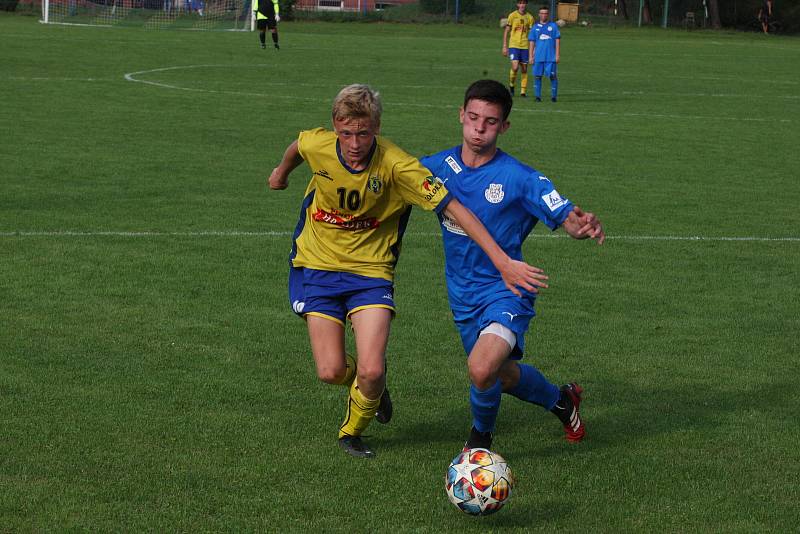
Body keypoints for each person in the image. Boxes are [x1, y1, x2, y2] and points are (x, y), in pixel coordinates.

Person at [268, 84, 546, 459]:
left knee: (370, 370)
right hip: (316, 265)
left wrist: (501, 261)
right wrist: (281, 172)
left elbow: (456, 209)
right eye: (346, 133)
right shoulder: (318, 144)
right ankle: (374, 392)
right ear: (334, 125)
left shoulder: (398, 166)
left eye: (363, 133)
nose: (354, 143)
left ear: (377, 128)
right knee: (331, 371)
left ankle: (351, 433)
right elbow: (299, 147)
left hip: (371, 273)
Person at [420, 79, 605, 452]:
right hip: (462, 295)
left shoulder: (520, 178)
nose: (479, 128)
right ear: (461, 115)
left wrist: (581, 226)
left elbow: (567, 216)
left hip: (509, 288)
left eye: (490, 121)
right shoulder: (436, 167)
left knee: (481, 368)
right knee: (499, 374)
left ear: (504, 126)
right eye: (473, 117)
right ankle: (562, 400)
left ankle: (479, 443)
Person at [527, 5, 560, 102]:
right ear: (539, 14)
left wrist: (557, 55)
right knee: (537, 76)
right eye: (542, 13)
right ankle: (538, 97)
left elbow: (557, 41)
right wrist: (530, 56)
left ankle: (554, 97)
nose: (544, 15)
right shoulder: (535, 27)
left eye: (545, 13)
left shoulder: (553, 26)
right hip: (538, 57)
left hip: (551, 56)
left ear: (548, 15)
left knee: (552, 76)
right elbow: (532, 42)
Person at [502, 0, 534, 98]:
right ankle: (512, 85)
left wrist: (533, 50)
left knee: (524, 69)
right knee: (515, 67)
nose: (522, 5)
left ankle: (523, 92)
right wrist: (504, 46)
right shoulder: (512, 15)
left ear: (526, 4)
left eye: (524, 3)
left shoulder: (530, 17)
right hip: (514, 45)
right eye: (520, 3)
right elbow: (507, 31)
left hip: (525, 46)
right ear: (517, 4)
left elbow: (532, 34)